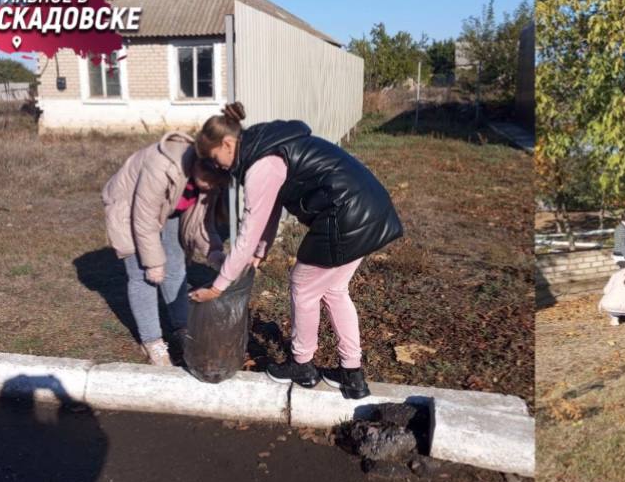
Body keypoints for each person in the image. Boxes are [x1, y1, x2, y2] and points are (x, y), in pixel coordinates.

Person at [190, 102, 403, 398]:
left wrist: (218, 285)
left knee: (302, 286)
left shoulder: (260, 165)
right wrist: (260, 251)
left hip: (347, 216)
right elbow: (271, 210)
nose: (219, 167)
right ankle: (351, 374)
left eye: (216, 159)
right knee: (335, 290)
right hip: (369, 208)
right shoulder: (272, 146)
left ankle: (301, 365)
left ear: (227, 144)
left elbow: (248, 231)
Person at [102, 132, 226, 366]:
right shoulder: (162, 166)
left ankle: (182, 326)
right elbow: (143, 217)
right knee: (144, 275)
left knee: (176, 266)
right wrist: (154, 262)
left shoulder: (213, 174)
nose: (210, 186)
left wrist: (214, 251)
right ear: (198, 164)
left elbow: (202, 222)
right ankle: (152, 342)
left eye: (215, 183)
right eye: (208, 180)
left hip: (168, 208)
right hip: (130, 207)